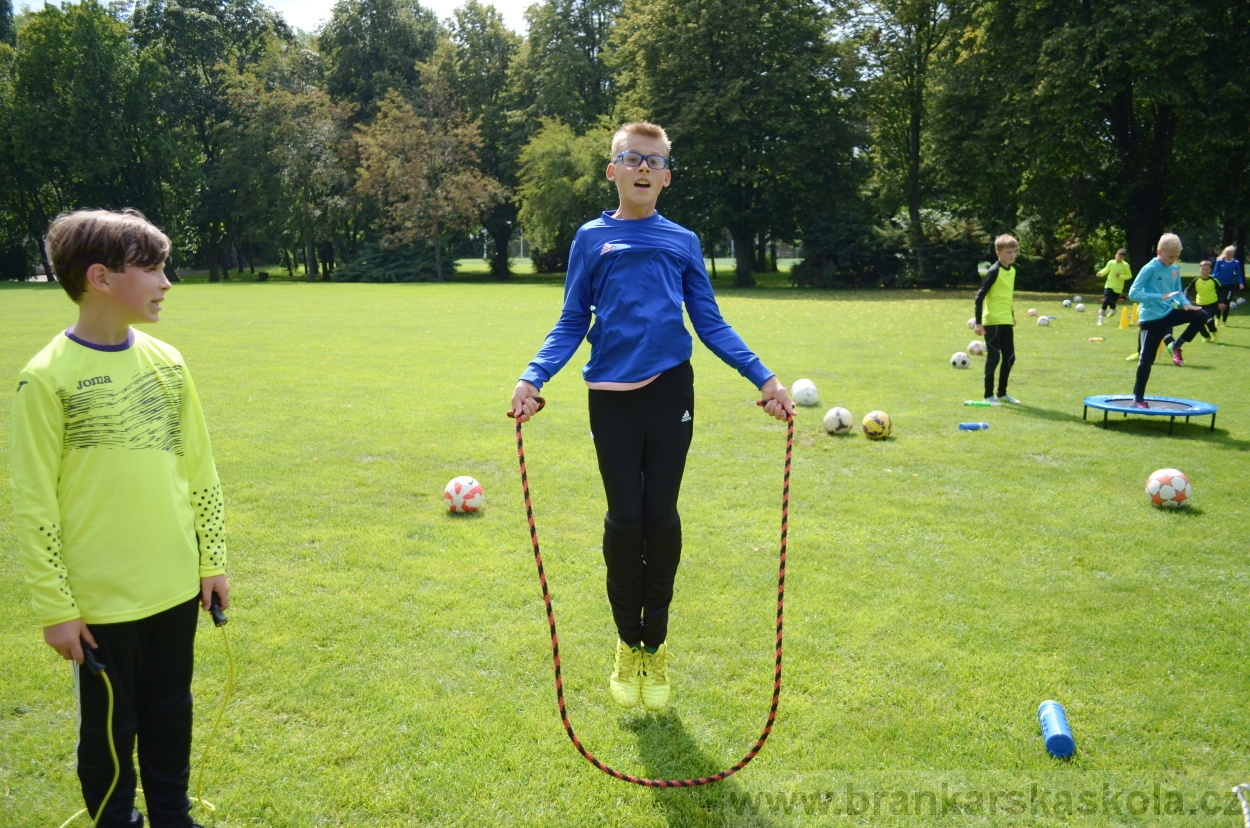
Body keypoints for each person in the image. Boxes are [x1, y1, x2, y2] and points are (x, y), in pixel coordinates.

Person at [509, 122, 793, 713]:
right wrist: (533, 377)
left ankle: (654, 644)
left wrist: (764, 378)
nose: (643, 168)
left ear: (665, 175)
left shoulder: (682, 240)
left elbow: (708, 322)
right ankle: (625, 640)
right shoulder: (591, 239)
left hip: (670, 391)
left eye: (655, 161)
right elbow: (571, 321)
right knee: (625, 516)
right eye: (631, 158)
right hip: (610, 395)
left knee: (660, 515)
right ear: (611, 169)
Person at [10, 209, 229, 828]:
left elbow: (200, 470)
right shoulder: (47, 378)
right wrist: (57, 609)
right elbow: (34, 502)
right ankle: (114, 819)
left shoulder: (168, 362)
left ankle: (171, 815)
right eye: (154, 269)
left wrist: (211, 561)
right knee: (110, 730)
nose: (166, 283)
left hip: (174, 586)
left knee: (170, 714)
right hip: (100, 603)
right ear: (101, 277)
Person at [1126, 233, 1209, 406]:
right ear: (1159, 251)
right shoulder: (1149, 268)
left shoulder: (1175, 269)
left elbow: (1178, 292)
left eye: (1176, 256)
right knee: (1146, 360)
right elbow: (1133, 294)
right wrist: (1159, 297)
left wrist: (1186, 304)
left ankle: (1176, 345)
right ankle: (1138, 398)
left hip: (1169, 313)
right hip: (1151, 320)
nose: (1173, 259)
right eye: (1170, 256)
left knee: (1201, 315)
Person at [973, 234, 1021, 405]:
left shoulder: (1013, 271)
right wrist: (978, 322)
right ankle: (988, 396)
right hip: (992, 321)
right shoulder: (994, 271)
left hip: (1006, 320)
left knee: (1010, 357)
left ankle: (1002, 393)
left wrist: (1012, 314)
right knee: (994, 357)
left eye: (1014, 251)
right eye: (1008, 252)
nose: (1012, 255)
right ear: (998, 253)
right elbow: (979, 296)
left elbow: (1006, 296)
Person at [1095, 248, 1132, 325]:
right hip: (1109, 284)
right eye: (1118, 255)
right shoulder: (1111, 262)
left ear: (1123, 258)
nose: (1118, 258)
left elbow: (1129, 276)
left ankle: (1114, 309)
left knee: (1112, 302)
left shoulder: (1125, 265)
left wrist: (1120, 276)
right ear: (1116, 254)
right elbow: (1106, 269)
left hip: (1118, 287)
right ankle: (1100, 319)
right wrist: (1100, 273)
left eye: (1121, 257)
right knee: (1106, 300)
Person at [1211, 245, 1245, 324]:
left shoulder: (1236, 263)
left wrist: (1241, 283)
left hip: (1230, 285)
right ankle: (1218, 318)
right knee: (1218, 302)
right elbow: (1215, 272)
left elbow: (1238, 274)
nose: (1227, 255)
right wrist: (1213, 280)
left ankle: (1224, 321)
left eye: (1229, 254)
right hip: (1220, 285)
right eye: (1226, 253)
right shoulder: (1220, 261)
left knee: (1226, 302)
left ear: (1232, 254)